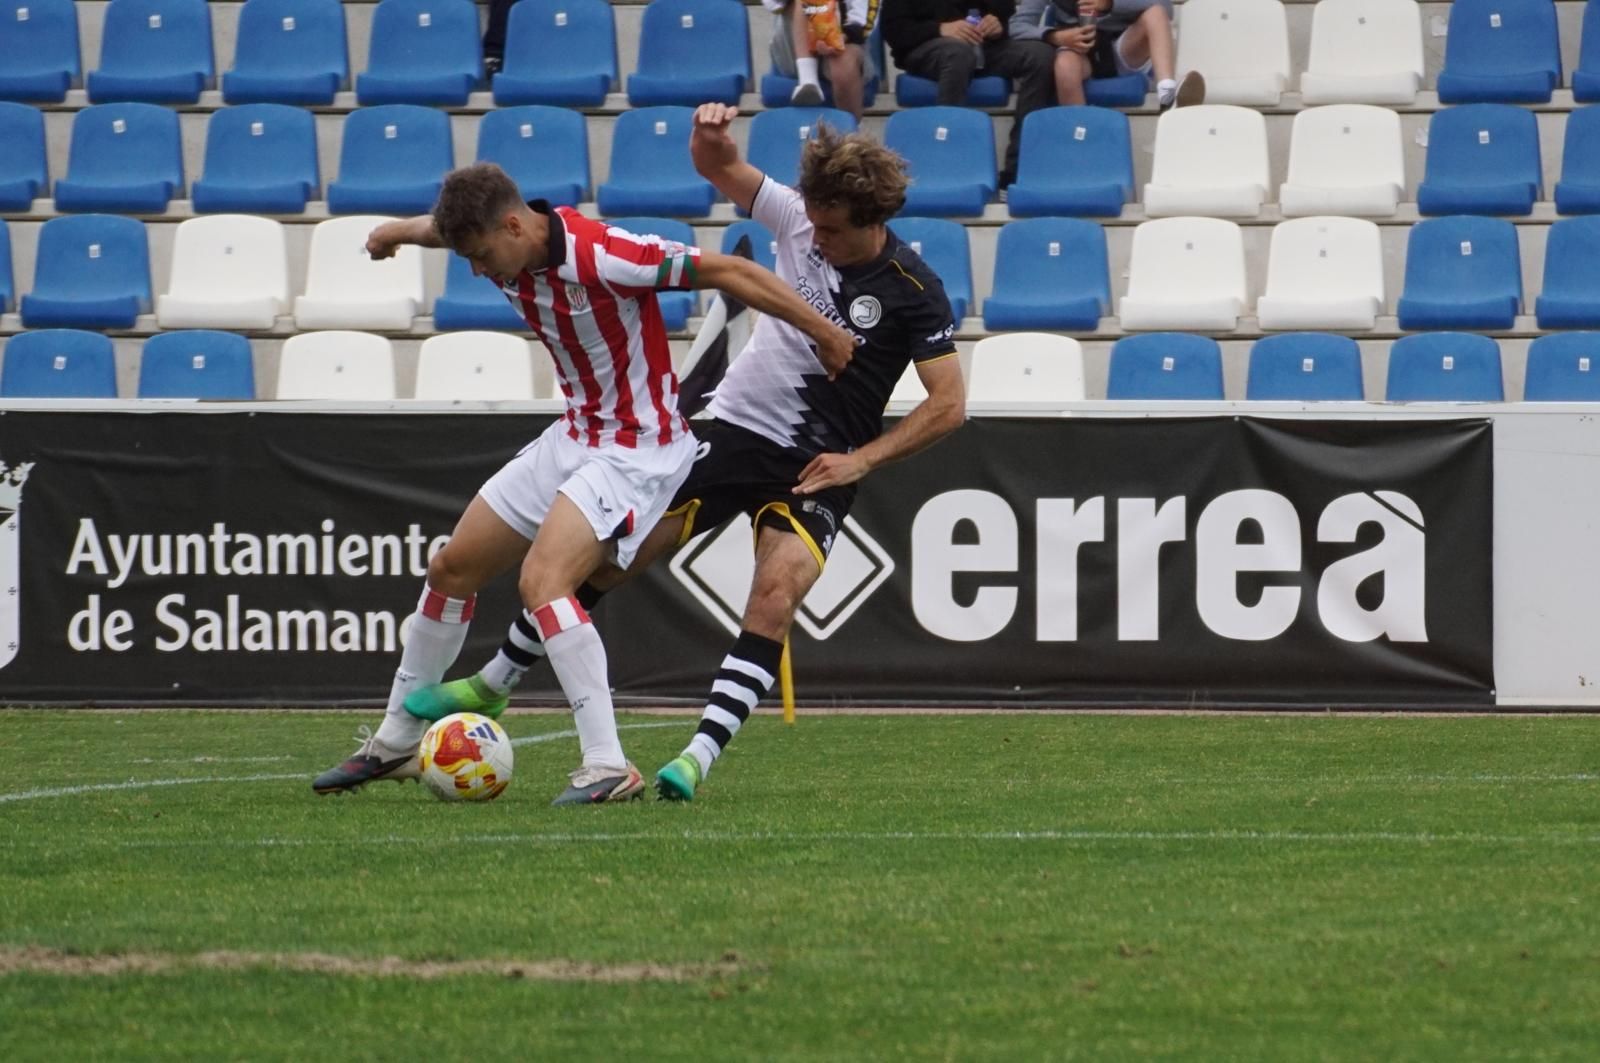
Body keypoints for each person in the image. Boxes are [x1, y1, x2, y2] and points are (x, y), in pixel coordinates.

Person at [404, 106, 969, 802]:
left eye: (831, 229)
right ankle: (497, 680)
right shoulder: (795, 216)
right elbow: (718, 168)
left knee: (774, 595)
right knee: (617, 554)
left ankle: (695, 758)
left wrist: (862, 462)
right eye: (812, 223)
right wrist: (711, 137)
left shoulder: (914, 291)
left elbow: (949, 405)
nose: (814, 237)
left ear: (871, 218)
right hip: (731, 429)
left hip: (821, 465)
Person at [311, 162, 856, 805]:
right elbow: (444, 227)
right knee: (451, 568)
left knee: (544, 581)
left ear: (515, 226)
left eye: (484, 257)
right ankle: (397, 740)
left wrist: (824, 332)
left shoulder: (605, 254)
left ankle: (607, 764)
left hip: (637, 449)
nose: (481, 273)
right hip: (574, 435)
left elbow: (733, 272)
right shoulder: (495, 230)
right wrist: (394, 233)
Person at [880, 0, 1056, 187]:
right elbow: (894, 31)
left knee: (1041, 55)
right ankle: (945, 164)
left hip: (984, 48)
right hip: (927, 47)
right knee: (958, 54)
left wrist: (998, 26)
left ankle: (1019, 170)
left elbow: (1007, 19)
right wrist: (940, 29)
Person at [1009, 0, 1202, 108]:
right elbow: (1017, 26)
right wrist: (1055, 36)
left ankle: (1167, 94)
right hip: (1078, 49)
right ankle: (1080, 136)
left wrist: (1110, 4)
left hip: (1123, 48)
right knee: (1064, 65)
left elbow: (1165, 7)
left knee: (1156, 13)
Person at [767, 0, 878, 119]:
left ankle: (850, 132)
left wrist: (838, 40)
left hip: (845, 38)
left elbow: (863, 17)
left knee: (843, 64)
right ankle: (808, 81)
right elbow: (773, 4)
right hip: (793, 52)